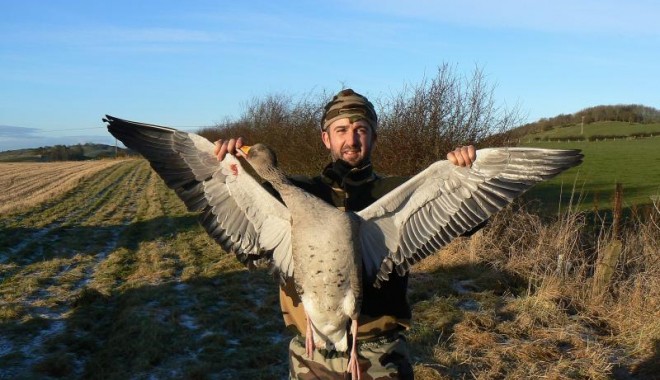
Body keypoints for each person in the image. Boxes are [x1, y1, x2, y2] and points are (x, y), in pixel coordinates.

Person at [214, 89, 476, 379]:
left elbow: (467, 220)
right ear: (326, 138)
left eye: (360, 130)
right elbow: (237, 194)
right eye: (341, 130)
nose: (351, 140)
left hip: (379, 354)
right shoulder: (291, 193)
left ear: (374, 136)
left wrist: (466, 171)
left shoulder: (396, 192)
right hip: (310, 355)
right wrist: (226, 160)